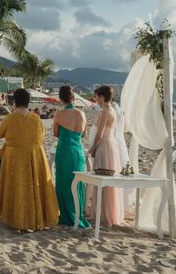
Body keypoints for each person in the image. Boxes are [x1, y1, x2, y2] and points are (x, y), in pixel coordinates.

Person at [0, 88, 59, 231]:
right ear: (28, 102)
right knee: (33, 187)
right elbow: (41, 135)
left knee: (17, 187)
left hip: (15, 157)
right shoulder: (36, 118)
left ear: (15, 101)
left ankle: (16, 218)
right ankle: (35, 217)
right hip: (35, 156)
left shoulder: (10, 118)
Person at [53, 86, 90, 229]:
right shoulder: (82, 114)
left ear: (60, 99)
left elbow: (56, 134)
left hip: (65, 151)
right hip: (78, 151)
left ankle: (66, 215)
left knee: (63, 182)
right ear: (73, 98)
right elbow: (84, 134)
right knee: (77, 182)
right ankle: (77, 213)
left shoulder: (59, 115)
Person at [87, 85, 124, 227]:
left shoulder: (105, 112)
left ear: (102, 97)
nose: (95, 99)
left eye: (96, 96)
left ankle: (102, 214)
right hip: (111, 145)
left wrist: (93, 149)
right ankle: (110, 212)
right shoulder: (113, 110)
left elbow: (99, 135)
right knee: (109, 180)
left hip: (104, 146)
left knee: (100, 178)